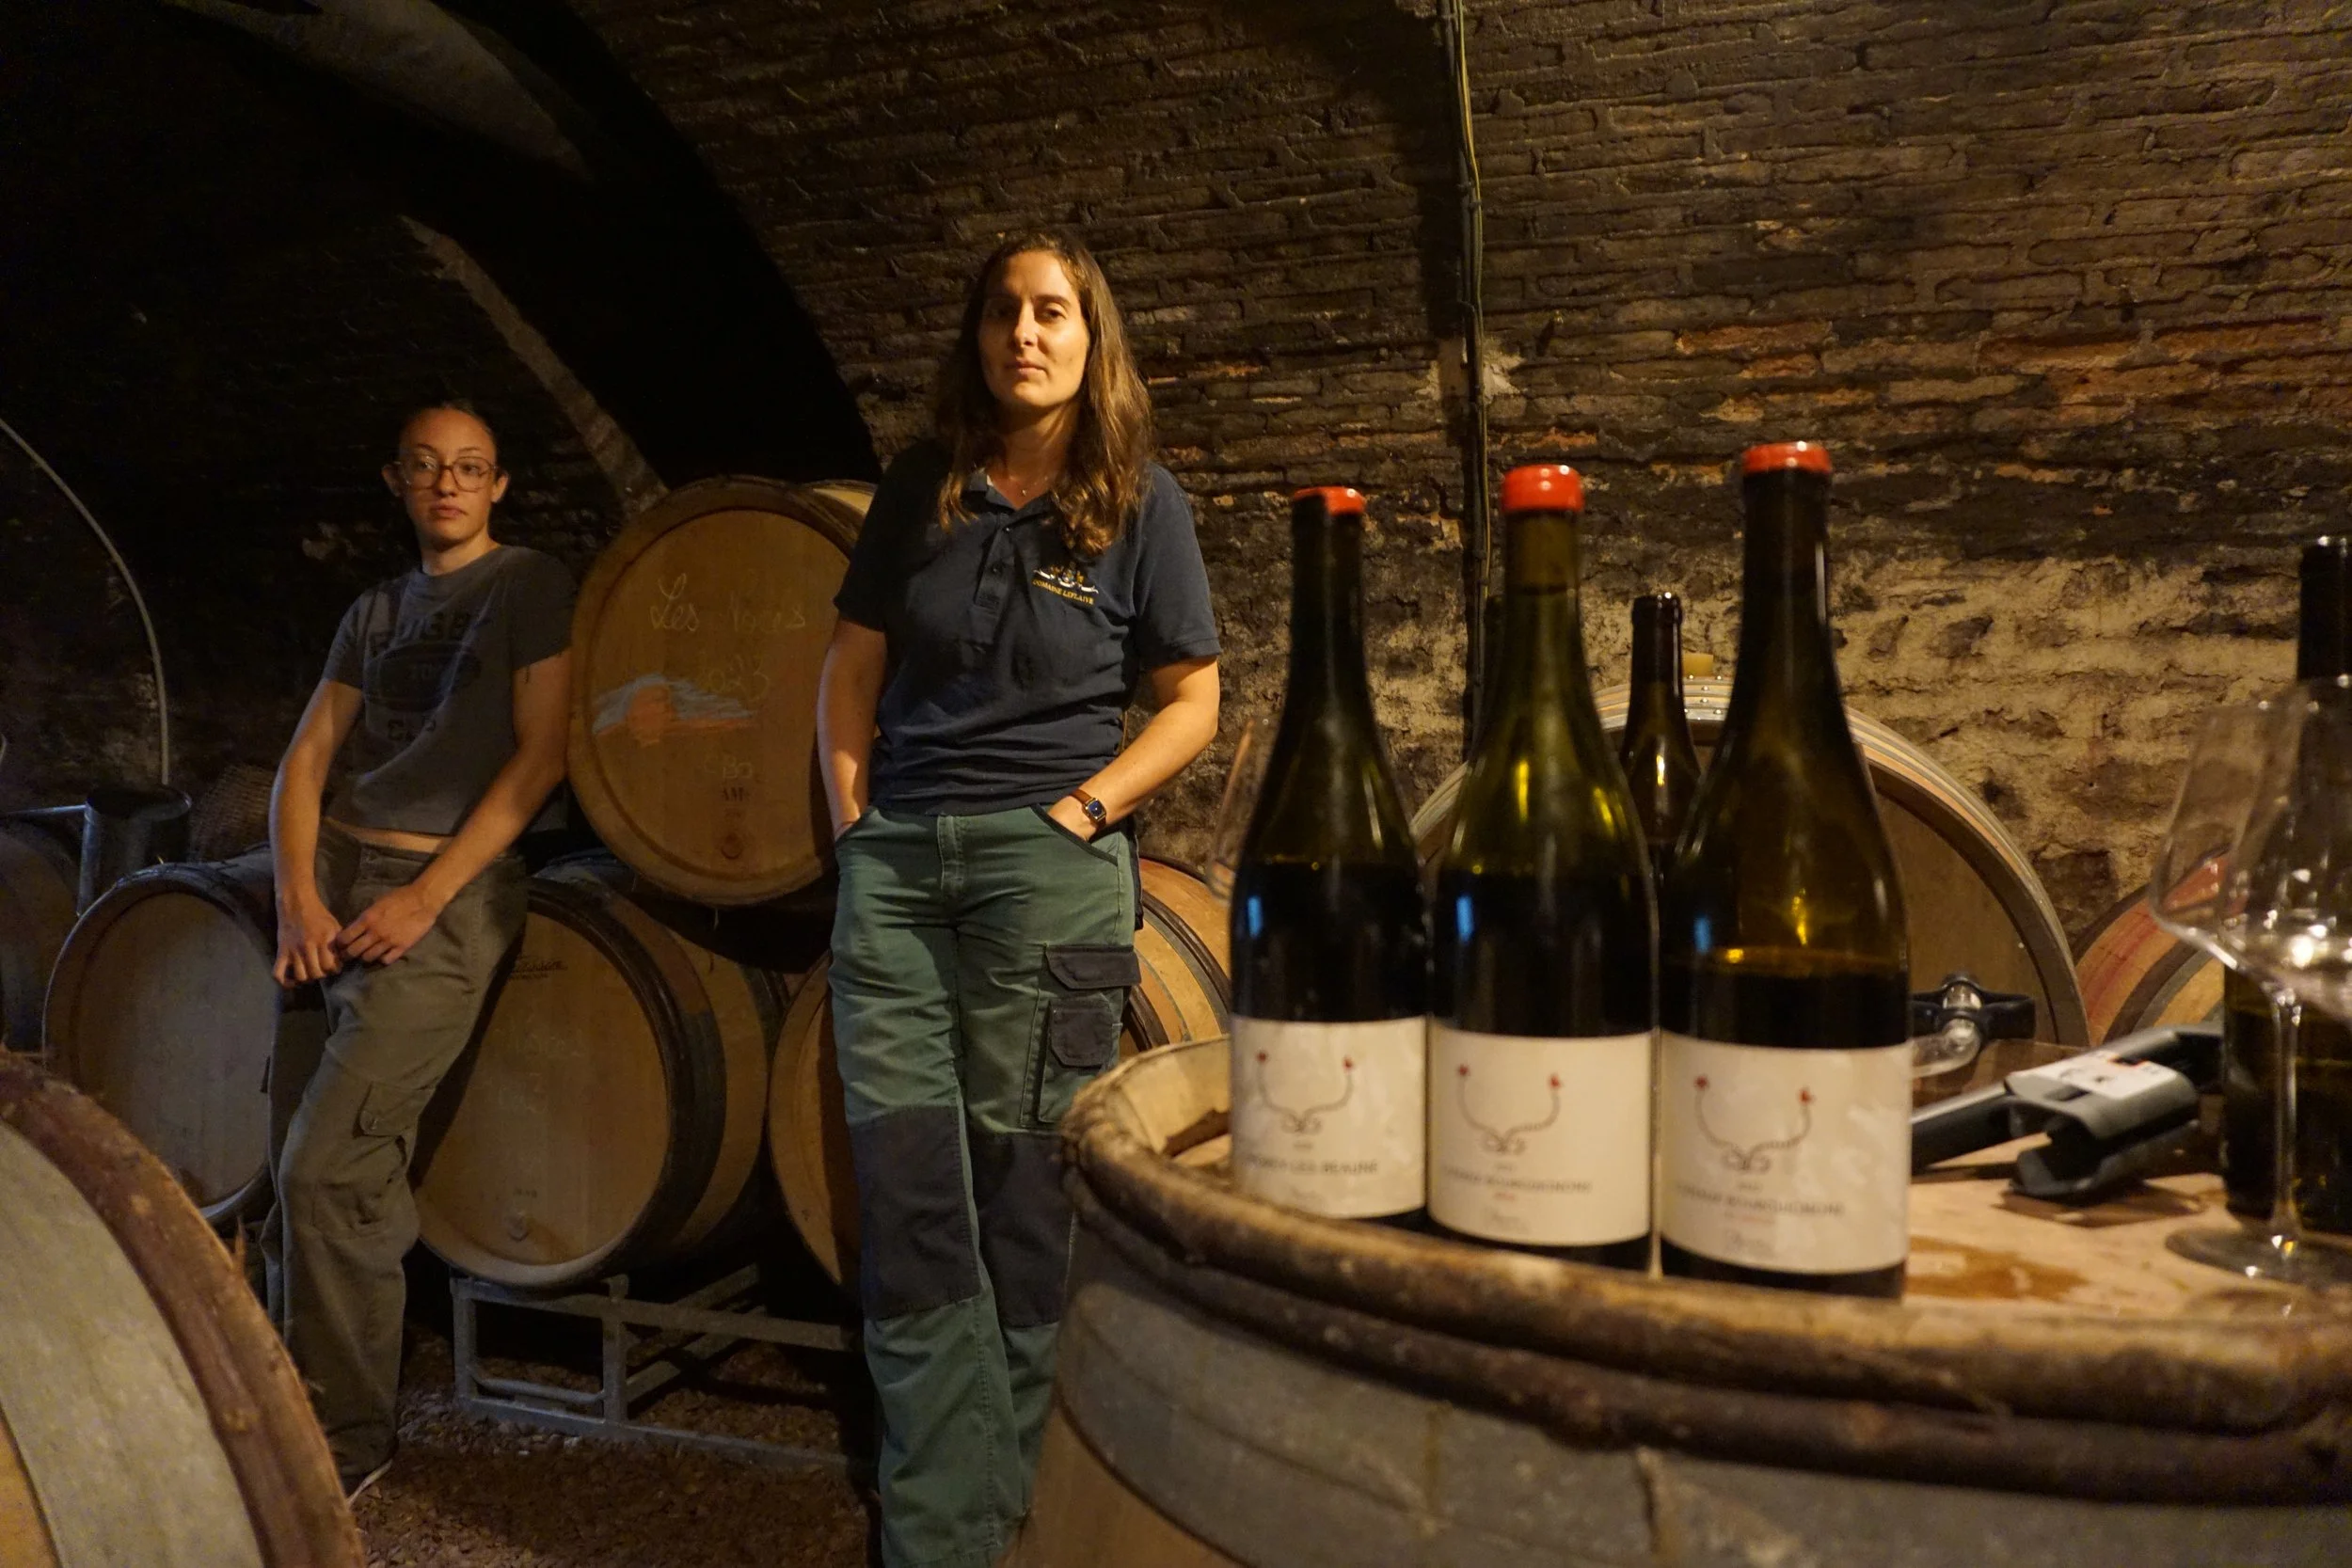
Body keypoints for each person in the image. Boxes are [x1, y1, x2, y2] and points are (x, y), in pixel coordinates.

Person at [817, 231, 1221, 1568]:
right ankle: (943, 1531)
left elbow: (1193, 699)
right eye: (1003, 311)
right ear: (977, 337)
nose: (1026, 334)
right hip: (898, 872)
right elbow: (851, 664)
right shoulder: (919, 488)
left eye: (1053, 312)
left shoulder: (1135, 501)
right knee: (912, 1196)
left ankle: (1036, 1514)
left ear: (1090, 337)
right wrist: (853, 816)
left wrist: (1086, 809)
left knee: (1024, 1194)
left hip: (1043, 871)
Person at [262, 402, 574, 1497]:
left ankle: (342, 1445)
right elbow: (306, 760)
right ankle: (279, 1399)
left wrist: (429, 896)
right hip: (334, 884)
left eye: (472, 468)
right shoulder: (376, 605)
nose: (449, 482)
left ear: (499, 487)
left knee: (328, 1168)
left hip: (441, 891)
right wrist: (298, 895)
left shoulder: (527, 585)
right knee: (290, 1165)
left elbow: (540, 759)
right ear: (396, 480)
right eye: (429, 467)